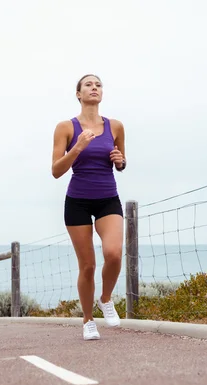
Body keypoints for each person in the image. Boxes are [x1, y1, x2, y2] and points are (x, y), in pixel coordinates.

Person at [51, 74, 127, 340]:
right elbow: (56, 171)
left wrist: (120, 160)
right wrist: (78, 148)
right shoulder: (66, 128)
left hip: (108, 197)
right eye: (88, 85)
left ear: (101, 93)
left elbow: (121, 161)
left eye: (98, 85)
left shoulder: (115, 126)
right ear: (79, 94)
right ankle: (87, 320)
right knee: (88, 266)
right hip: (78, 201)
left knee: (114, 254)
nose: (94, 88)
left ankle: (106, 299)